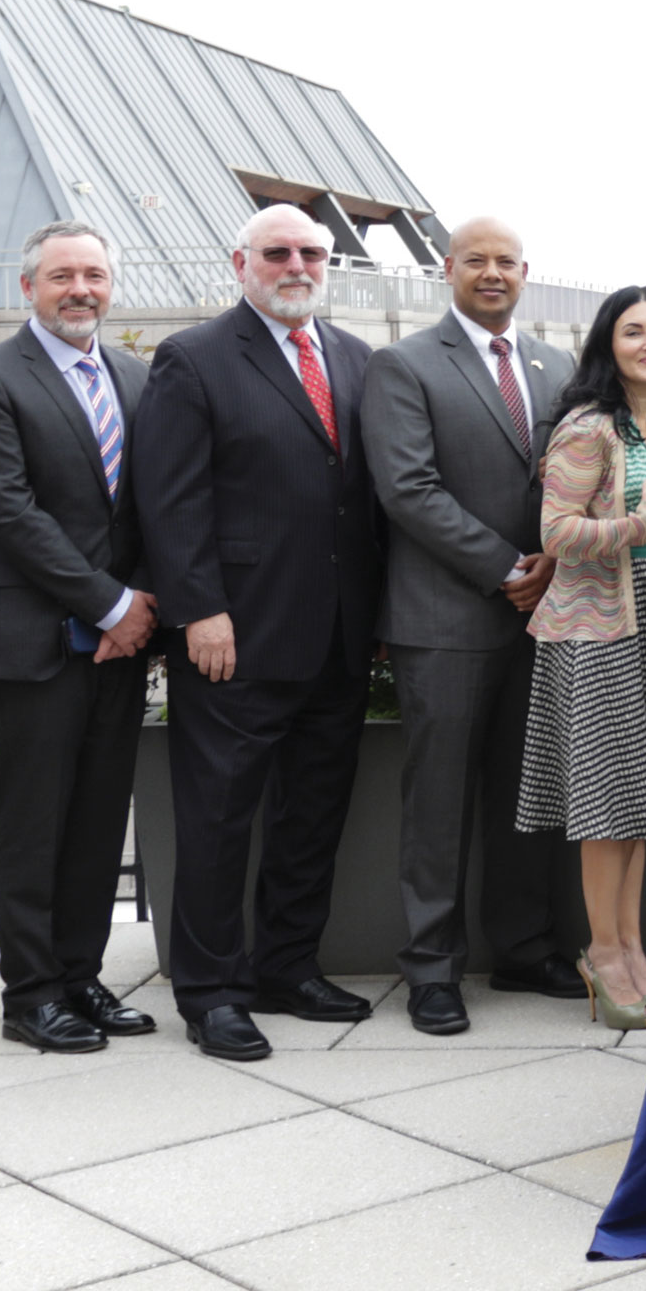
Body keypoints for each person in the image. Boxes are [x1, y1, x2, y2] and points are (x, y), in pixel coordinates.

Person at [136, 204, 386, 1062]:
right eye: (277, 252)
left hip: (340, 636)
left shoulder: (354, 358)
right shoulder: (195, 358)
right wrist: (198, 608)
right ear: (239, 262)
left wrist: (378, 616)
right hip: (233, 636)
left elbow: (365, 503)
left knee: (312, 814)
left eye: (311, 253)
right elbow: (168, 501)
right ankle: (210, 992)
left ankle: (288, 965)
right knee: (216, 820)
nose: (296, 265)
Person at [362, 216, 584, 1034]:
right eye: (477, 262)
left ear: (525, 273)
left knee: (528, 794)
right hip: (446, 617)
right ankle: (431, 969)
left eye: (507, 263)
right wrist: (506, 567)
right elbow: (408, 489)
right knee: (440, 799)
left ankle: (525, 948)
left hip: (542, 615)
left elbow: (571, 481)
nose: (493, 274)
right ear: (447, 269)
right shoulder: (405, 364)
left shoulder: (554, 365)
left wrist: (554, 564)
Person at [0, 222, 160, 1054]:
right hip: (35, 639)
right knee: (36, 820)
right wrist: (110, 603)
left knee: (100, 815)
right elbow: (7, 510)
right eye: (63, 275)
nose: (82, 289)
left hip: (121, 636)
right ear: (29, 287)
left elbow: (156, 501)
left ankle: (80, 975)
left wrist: (138, 606)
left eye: (96, 275)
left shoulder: (137, 378)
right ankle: (30, 994)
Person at [518, 286, 646, 1030]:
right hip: (596, 630)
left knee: (640, 801)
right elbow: (557, 532)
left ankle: (631, 945)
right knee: (606, 804)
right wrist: (642, 521)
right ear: (609, 344)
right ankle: (603, 952)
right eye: (636, 332)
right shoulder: (588, 427)